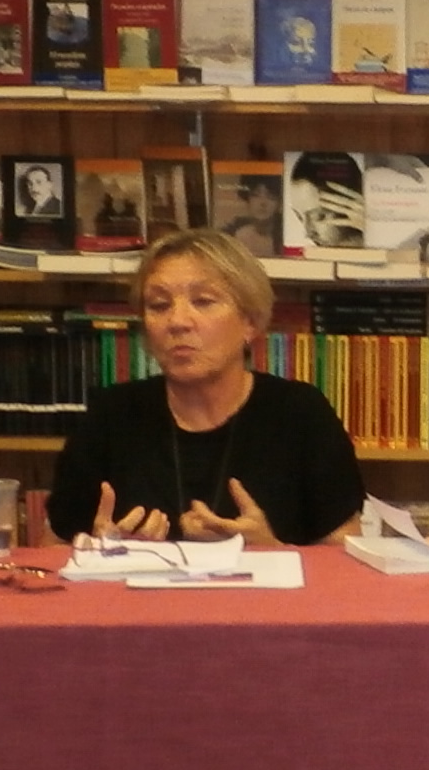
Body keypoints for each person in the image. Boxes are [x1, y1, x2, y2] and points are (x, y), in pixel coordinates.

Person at [46, 228, 364, 545]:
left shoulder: (301, 413)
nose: (178, 321)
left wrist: (272, 549)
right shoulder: (110, 415)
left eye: (203, 301)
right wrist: (101, 551)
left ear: (250, 322)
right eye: (159, 305)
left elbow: (343, 557)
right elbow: (52, 547)